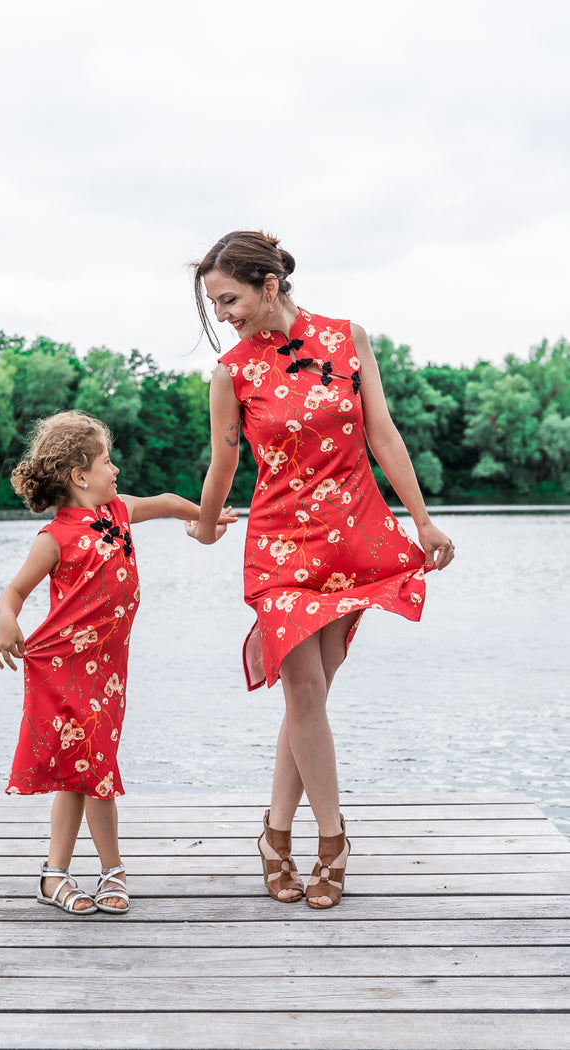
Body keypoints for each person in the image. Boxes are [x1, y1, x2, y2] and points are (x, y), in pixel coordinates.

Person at [185, 230, 454, 910]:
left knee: (310, 700)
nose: (224, 316)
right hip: (278, 546)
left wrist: (420, 520)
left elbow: (382, 434)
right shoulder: (233, 372)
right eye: (216, 305)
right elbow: (223, 462)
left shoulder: (347, 338)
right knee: (302, 690)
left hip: (351, 541)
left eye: (229, 299)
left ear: (268, 283)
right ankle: (332, 842)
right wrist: (209, 522)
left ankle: (274, 835)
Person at [0, 410, 235, 915]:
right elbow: (13, 591)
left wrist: (205, 518)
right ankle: (108, 871)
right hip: (64, 666)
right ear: (79, 476)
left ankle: (55, 875)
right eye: (106, 461)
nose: (115, 470)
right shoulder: (55, 538)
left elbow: (162, 503)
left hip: (108, 673)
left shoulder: (117, 511)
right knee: (94, 767)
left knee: (85, 770)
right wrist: (7, 620)